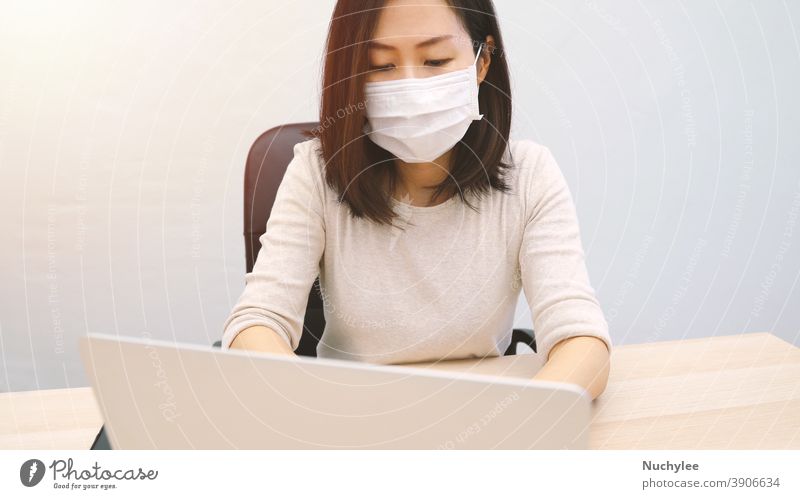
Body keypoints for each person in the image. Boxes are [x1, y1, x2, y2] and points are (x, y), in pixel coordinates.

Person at [221, 0, 612, 400]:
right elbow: (257, 321)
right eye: (380, 65)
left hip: (482, 413)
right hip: (352, 412)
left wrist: (516, 424)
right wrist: (314, 410)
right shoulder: (316, 174)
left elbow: (582, 339)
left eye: (436, 60)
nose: (411, 86)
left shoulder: (529, 174)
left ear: (482, 62)